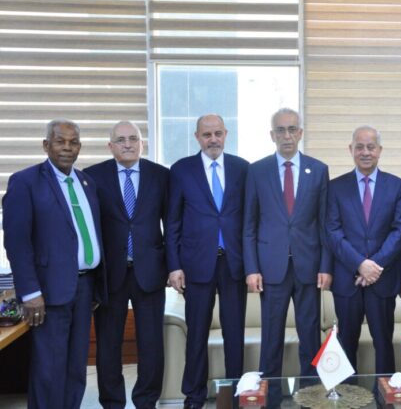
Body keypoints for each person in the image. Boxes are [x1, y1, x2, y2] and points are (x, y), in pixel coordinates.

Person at [3, 119, 105, 409]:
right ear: (46, 145)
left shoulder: (86, 183)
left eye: (73, 142)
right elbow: (17, 242)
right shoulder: (26, 182)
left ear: (80, 147)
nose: (67, 148)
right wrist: (30, 293)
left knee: (76, 367)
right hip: (48, 292)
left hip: (85, 288)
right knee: (49, 369)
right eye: (60, 141)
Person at [166, 114, 249, 409]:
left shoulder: (242, 168)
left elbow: (250, 219)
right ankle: (194, 395)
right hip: (196, 264)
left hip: (234, 264)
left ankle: (235, 393)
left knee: (234, 333)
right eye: (206, 134)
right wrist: (174, 265)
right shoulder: (181, 170)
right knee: (197, 334)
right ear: (197, 137)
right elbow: (172, 222)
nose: (213, 139)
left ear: (226, 134)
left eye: (217, 133)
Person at [84, 121, 169, 409]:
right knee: (108, 344)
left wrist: (173, 267)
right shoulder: (92, 177)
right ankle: (112, 402)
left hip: (150, 272)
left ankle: (146, 401)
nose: (128, 144)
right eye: (121, 140)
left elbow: (172, 225)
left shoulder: (161, 176)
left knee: (151, 344)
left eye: (134, 138)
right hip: (110, 274)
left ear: (142, 143)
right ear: (110, 146)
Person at [244, 108, 331, 380]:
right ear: (272, 135)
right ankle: (270, 392)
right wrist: (251, 269)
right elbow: (249, 225)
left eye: (292, 129)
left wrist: (325, 266)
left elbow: (324, 225)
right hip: (271, 268)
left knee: (310, 336)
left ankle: (310, 392)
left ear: (300, 133)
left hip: (308, 266)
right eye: (280, 130)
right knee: (271, 337)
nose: (287, 135)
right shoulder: (257, 171)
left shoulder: (318, 170)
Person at [326, 125, 401, 374]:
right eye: (359, 147)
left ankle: (384, 393)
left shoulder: (397, 186)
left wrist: (374, 266)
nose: (365, 152)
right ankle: (347, 393)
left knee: (383, 343)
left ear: (379, 150)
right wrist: (360, 264)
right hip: (347, 280)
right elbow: (333, 231)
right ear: (351, 150)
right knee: (346, 343)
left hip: (382, 279)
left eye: (370, 147)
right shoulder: (335, 187)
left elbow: (400, 230)